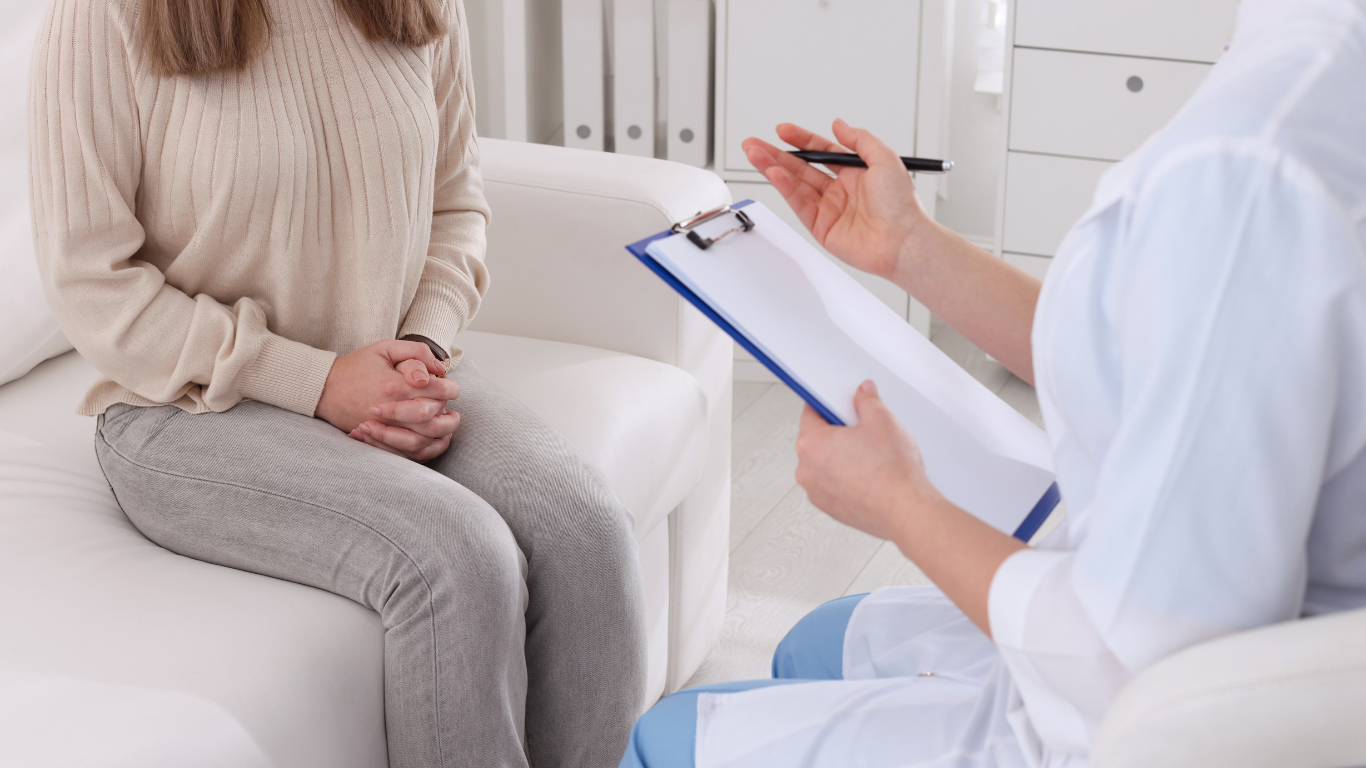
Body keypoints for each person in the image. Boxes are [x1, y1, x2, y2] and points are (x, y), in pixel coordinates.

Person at [621, 0, 1366, 765]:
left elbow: (1137, 664)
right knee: (818, 641)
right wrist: (910, 245)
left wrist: (903, 505)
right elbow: (1142, 354)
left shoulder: (1251, 166)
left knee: (661, 745)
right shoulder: (1299, 94)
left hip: (1141, 713)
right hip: (1191, 628)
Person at [29, 0, 645, 766]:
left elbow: (457, 202)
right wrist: (320, 383)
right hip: (190, 406)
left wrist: (421, 347)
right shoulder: (101, 15)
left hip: (393, 366)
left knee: (586, 529)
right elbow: (90, 283)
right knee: (459, 558)